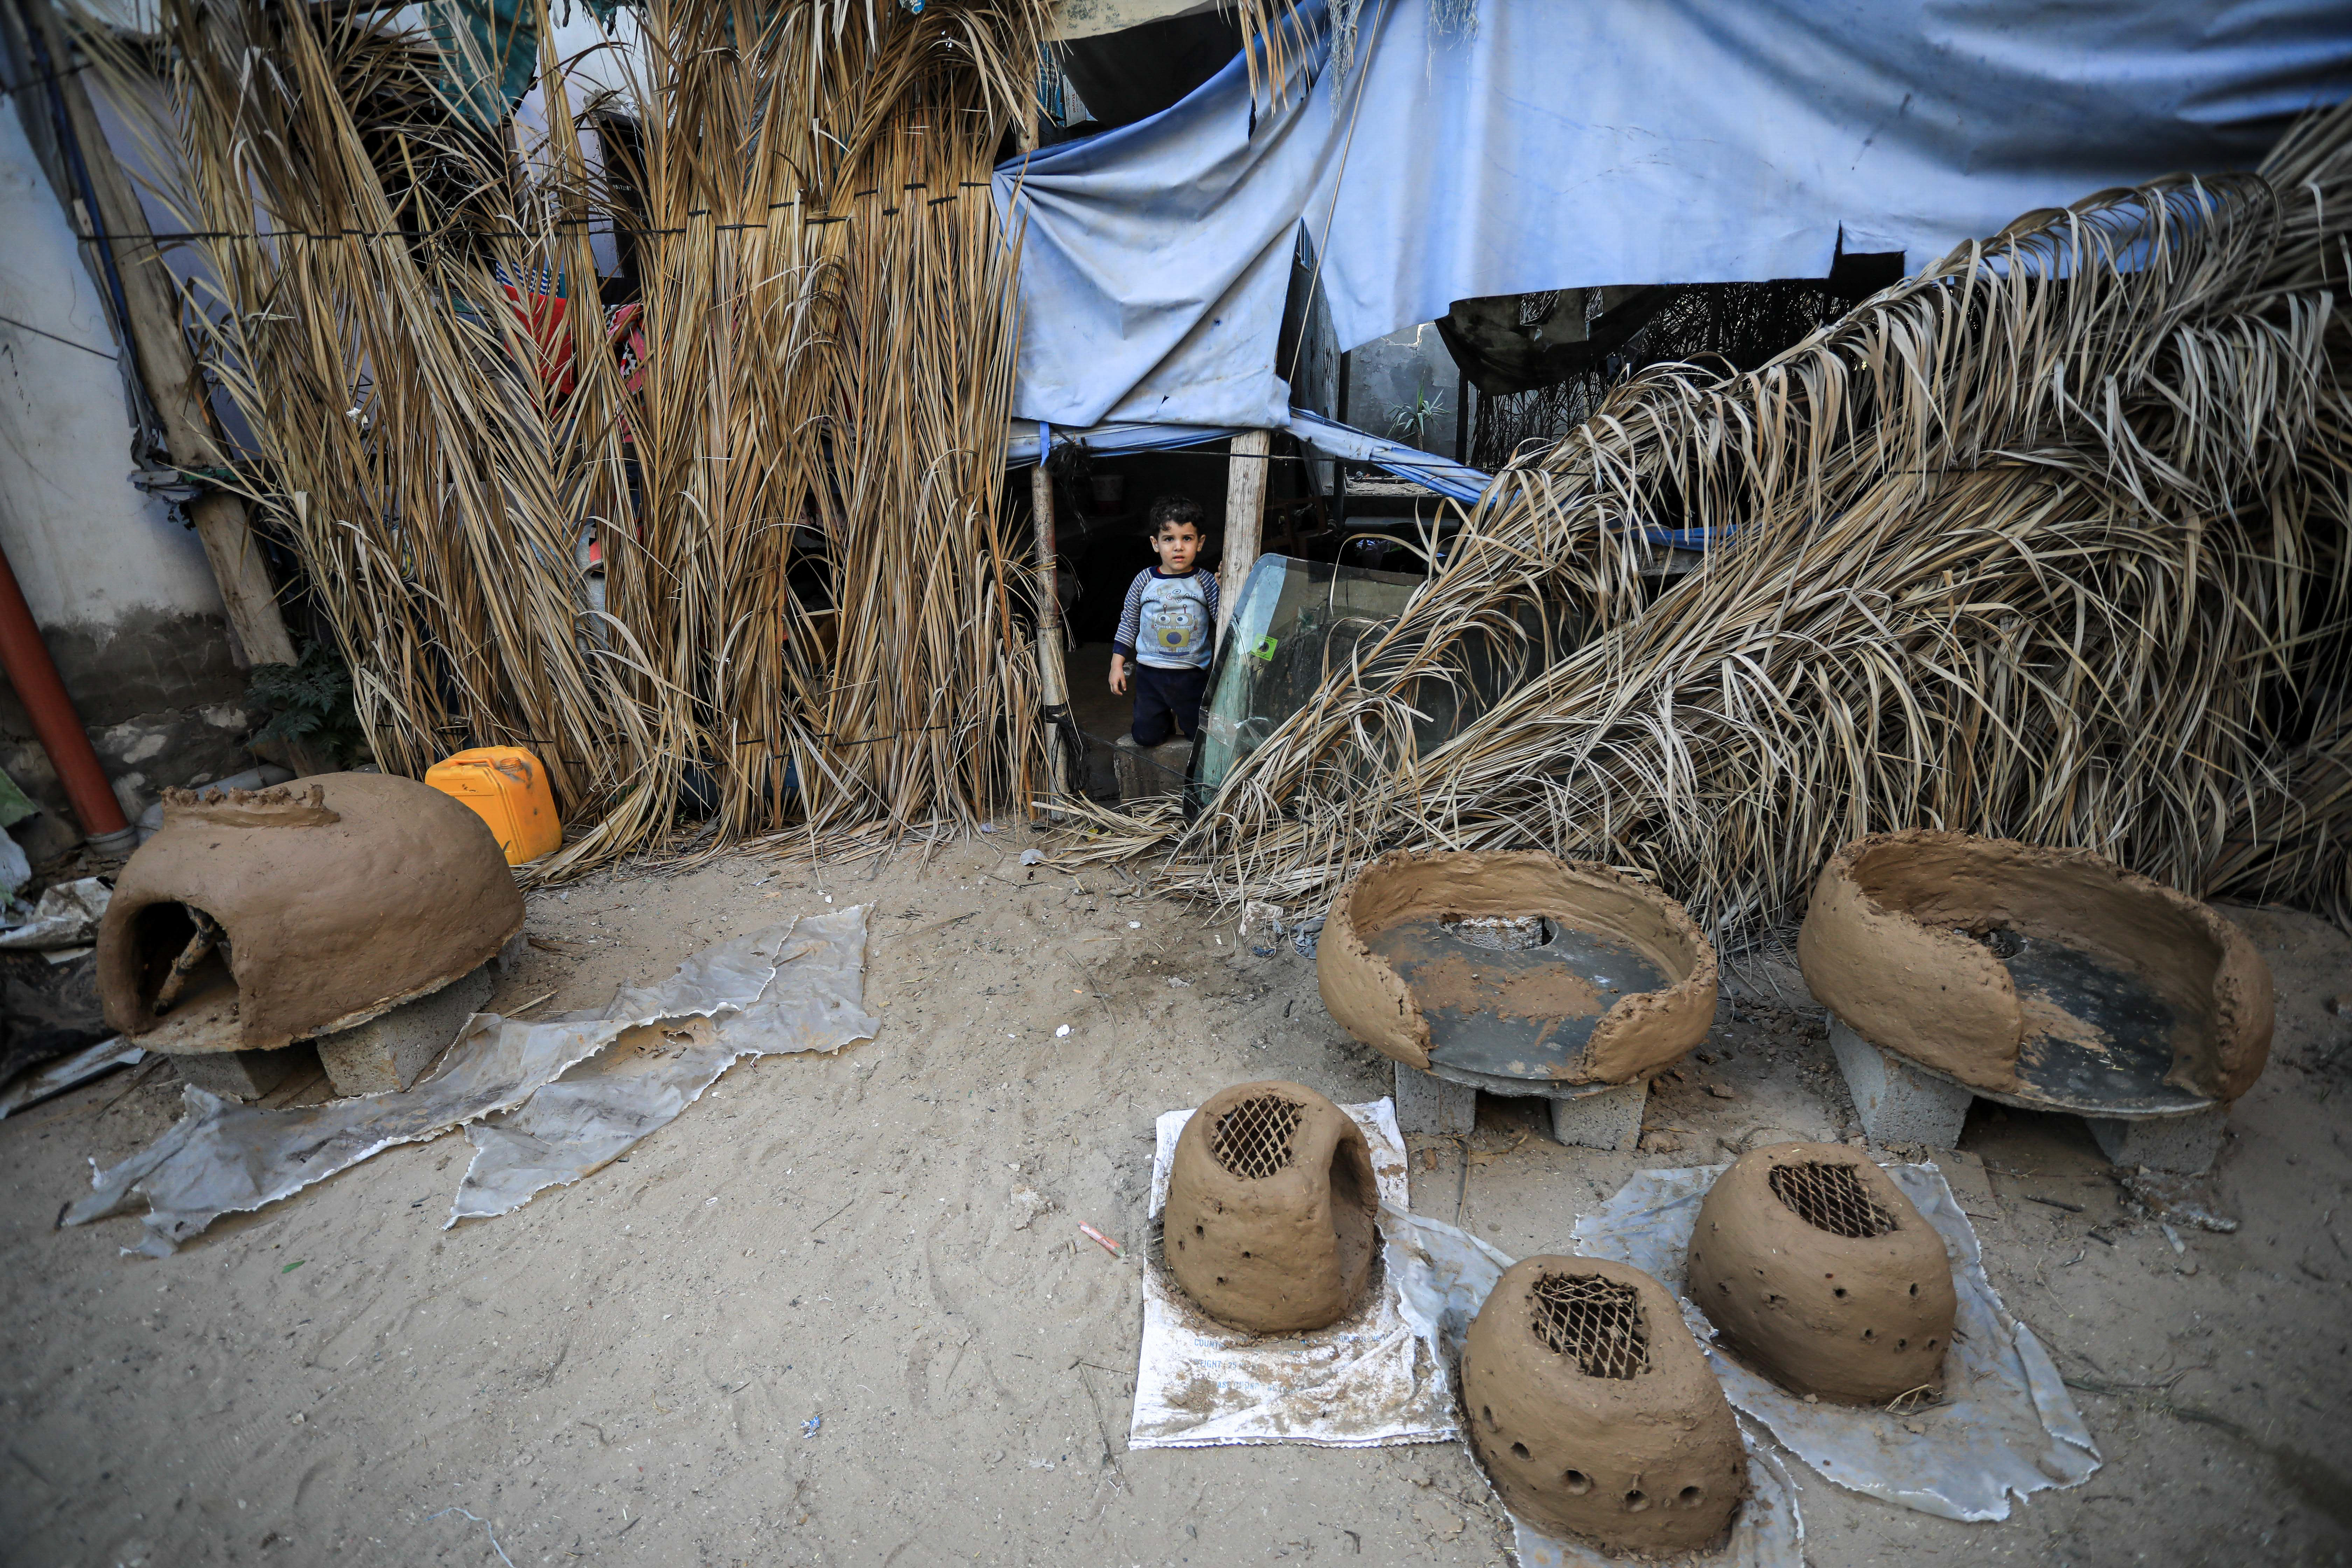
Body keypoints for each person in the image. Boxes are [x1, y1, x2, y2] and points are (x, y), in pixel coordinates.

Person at [1111, 495, 1220, 745]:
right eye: (1169, 539)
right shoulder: (1144, 581)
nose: (1178, 547)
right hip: (1151, 675)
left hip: (1192, 676)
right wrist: (1117, 665)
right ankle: (1162, 722)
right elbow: (1129, 622)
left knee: (1201, 739)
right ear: (1156, 544)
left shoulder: (1204, 582)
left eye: (1187, 539)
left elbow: (1223, 617)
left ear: (1200, 543)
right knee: (1147, 737)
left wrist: (1225, 587)